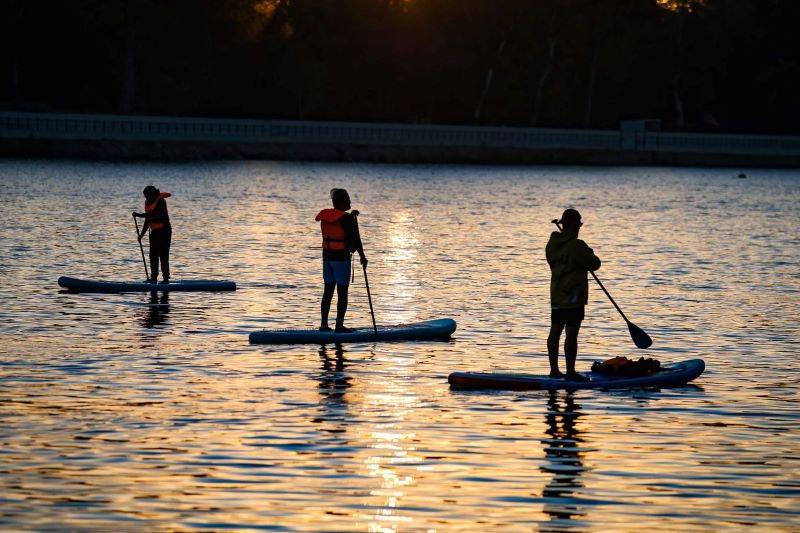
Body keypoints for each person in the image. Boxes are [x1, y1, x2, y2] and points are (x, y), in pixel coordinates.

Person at [545, 208, 601, 380]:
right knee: (571, 333)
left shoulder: (552, 245)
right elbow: (595, 263)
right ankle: (570, 372)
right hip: (574, 297)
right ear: (574, 225)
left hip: (557, 295)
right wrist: (589, 252)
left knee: (555, 330)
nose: (579, 228)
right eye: (578, 224)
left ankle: (554, 371)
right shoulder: (577, 245)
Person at [315, 188, 368, 333]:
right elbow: (356, 240)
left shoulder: (328, 217)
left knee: (328, 291)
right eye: (348, 199)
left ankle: (324, 325)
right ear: (341, 202)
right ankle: (339, 325)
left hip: (327, 260)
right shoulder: (347, 219)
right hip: (341, 261)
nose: (350, 201)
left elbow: (341, 223)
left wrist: (351, 217)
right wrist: (363, 257)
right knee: (342, 292)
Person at [133, 185, 172, 284]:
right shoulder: (148, 203)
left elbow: (153, 215)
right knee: (153, 255)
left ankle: (166, 278)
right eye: (145, 196)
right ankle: (153, 278)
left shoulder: (161, 202)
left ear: (152, 194)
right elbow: (148, 221)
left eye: (147, 196)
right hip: (154, 232)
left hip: (164, 231)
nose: (145, 198)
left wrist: (139, 215)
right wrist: (141, 235)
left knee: (163, 255)